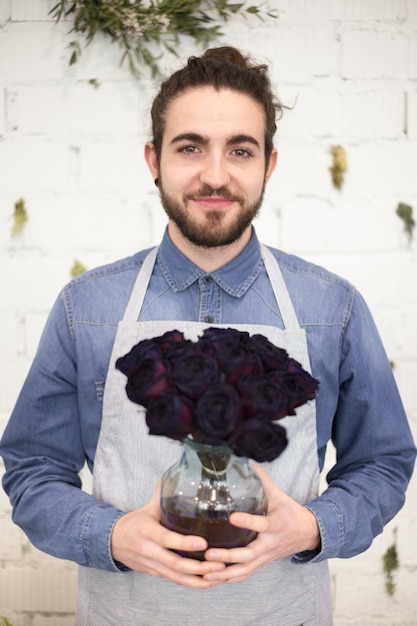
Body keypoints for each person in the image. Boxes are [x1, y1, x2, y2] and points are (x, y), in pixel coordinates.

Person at [1, 46, 415, 626]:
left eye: (240, 150)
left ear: (269, 164)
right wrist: (111, 534)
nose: (215, 175)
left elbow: (383, 461)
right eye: (190, 147)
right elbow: (32, 465)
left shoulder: (333, 308)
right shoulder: (86, 308)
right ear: (154, 159)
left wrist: (314, 525)